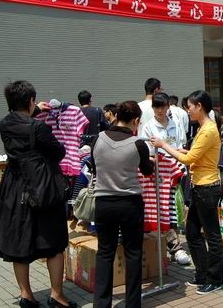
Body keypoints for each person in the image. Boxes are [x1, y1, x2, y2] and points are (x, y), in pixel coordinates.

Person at [0, 80, 77, 308]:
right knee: (54, 243)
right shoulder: (38, 127)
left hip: (14, 187)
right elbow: (58, 152)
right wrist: (36, 114)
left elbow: (18, 121)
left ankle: (26, 295)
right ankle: (57, 296)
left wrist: (35, 110)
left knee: (19, 243)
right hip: (42, 187)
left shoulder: (3, 124)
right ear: (30, 100)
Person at [151, 91, 223, 295]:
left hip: (207, 188)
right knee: (191, 232)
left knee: (212, 236)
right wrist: (182, 151)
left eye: (189, 107)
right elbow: (195, 155)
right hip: (200, 187)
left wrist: (164, 145)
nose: (187, 110)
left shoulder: (208, 130)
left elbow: (189, 160)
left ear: (199, 106)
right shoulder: (203, 127)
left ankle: (215, 279)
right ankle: (202, 273)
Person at [93, 101, 154, 308]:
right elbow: (147, 170)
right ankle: (132, 304)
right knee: (133, 253)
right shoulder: (138, 144)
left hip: (103, 202)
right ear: (135, 120)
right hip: (130, 204)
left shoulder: (99, 139)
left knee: (104, 253)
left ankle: (101, 304)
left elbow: (95, 166)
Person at [140, 92, 191, 266]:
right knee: (164, 209)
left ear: (168, 107)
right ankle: (175, 247)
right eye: (156, 107)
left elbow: (179, 146)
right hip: (159, 174)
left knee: (174, 209)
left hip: (177, 171)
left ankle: (173, 246)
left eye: (162, 107)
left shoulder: (175, 123)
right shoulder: (148, 127)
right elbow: (147, 153)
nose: (160, 110)